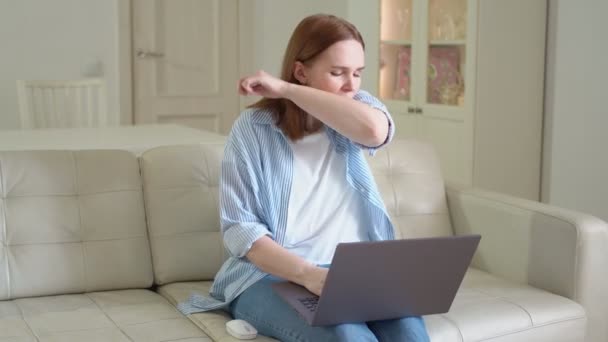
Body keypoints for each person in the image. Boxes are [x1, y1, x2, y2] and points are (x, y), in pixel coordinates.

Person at [178, 14, 430, 342]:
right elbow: (241, 231)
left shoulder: (359, 111)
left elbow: (373, 131)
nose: (351, 84)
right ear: (302, 72)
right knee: (347, 337)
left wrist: (286, 89)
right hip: (269, 276)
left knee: (410, 333)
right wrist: (309, 275)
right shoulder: (253, 129)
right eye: (337, 73)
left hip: (353, 274)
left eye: (357, 73)